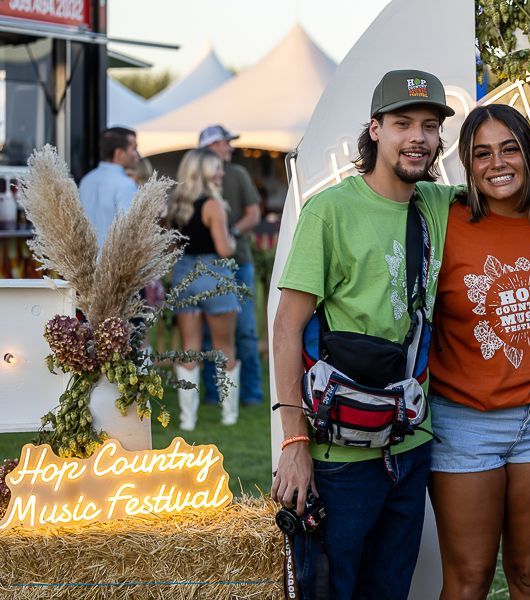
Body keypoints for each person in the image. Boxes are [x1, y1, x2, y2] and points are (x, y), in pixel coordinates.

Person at [271, 69, 457, 599]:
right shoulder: (330, 210)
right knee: (332, 589)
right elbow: (287, 326)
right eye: (402, 123)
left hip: (412, 444)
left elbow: (520, 192)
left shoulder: (439, 206)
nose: (417, 137)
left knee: (390, 590)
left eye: (428, 125)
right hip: (339, 456)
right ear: (375, 129)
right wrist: (293, 441)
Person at [427, 104, 530, 600]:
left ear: (529, 153)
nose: (498, 163)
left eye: (510, 149)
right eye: (481, 153)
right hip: (465, 424)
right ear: (466, 163)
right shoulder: (442, 220)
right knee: (468, 581)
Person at [168, 148, 240, 430]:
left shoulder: (176, 205)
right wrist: (232, 240)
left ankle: (188, 420)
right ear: (205, 173)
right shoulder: (214, 205)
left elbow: (174, 249)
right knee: (224, 347)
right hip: (214, 276)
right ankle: (229, 415)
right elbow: (224, 248)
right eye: (217, 168)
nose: (221, 172)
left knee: (189, 348)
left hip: (185, 275)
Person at [198, 125, 264, 407]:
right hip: (206, 266)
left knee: (245, 331)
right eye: (226, 143)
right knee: (205, 334)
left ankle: (251, 394)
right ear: (211, 146)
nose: (230, 148)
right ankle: (214, 395)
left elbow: (254, 214)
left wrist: (231, 233)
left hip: (239, 263)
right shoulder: (194, 180)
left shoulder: (236, 174)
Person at [79, 127, 141, 249]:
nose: (138, 154)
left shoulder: (86, 180)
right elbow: (129, 231)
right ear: (119, 153)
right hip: (113, 263)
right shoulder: (125, 184)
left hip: (84, 261)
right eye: (134, 149)